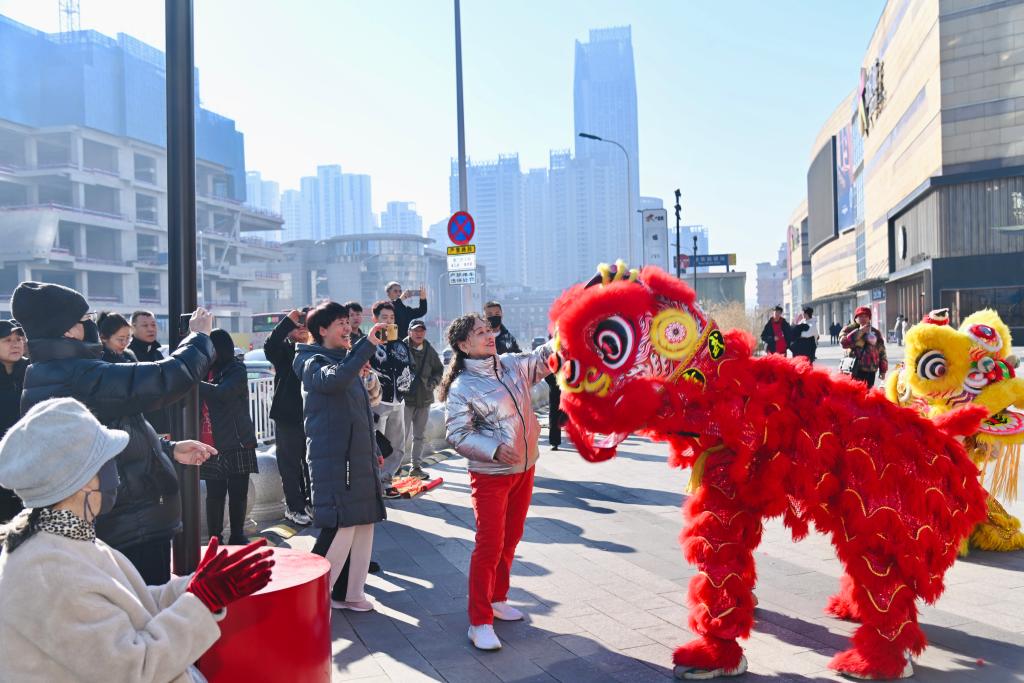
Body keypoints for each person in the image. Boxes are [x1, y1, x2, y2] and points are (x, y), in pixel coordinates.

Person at [0, 397, 274, 683]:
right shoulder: (49, 573)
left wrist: (191, 587)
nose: (115, 471)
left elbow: (132, 605)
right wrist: (201, 601)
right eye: (107, 461)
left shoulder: (64, 539)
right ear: (81, 479)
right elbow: (135, 671)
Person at [13, 281, 218, 584]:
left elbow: (105, 439)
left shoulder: (53, 372)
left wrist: (168, 449)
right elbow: (165, 378)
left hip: (121, 522)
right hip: (128, 526)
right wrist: (199, 337)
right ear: (68, 331)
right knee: (143, 607)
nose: (91, 325)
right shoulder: (77, 374)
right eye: (86, 318)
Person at [441, 314, 553, 651]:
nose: (489, 335)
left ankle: (498, 598)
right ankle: (479, 622)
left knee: (511, 538)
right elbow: (457, 433)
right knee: (490, 544)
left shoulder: (511, 364)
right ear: (464, 345)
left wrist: (573, 327)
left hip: (524, 467)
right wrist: (494, 449)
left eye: (488, 330)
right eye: (480, 332)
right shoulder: (462, 387)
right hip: (491, 475)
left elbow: (546, 357)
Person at [294, 301, 388, 612]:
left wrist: (374, 449)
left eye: (348, 322)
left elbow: (360, 413)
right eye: (340, 324)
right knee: (341, 525)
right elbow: (332, 380)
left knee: (363, 522)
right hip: (336, 460)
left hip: (357, 457)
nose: (348, 328)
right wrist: (365, 347)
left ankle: (349, 594)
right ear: (322, 330)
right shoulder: (311, 360)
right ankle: (308, 601)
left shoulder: (346, 361)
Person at [200, 330, 259, 546]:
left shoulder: (236, 369)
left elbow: (222, 393)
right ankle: (215, 539)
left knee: (238, 493)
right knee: (214, 494)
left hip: (237, 441)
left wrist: (194, 383)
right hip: (209, 442)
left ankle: (237, 535)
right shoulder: (203, 371)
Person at [263, 308, 313, 526]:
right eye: (297, 325)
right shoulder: (284, 350)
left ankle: (312, 503)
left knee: (312, 463)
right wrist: (286, 322)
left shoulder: (318, 350)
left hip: (313, 415)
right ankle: (294, 507)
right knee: (290, 464)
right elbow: (269, 345)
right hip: (288, 416)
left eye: (306, 324)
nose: (302, 328)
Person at [370, 300, 414, 497]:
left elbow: (410, 367)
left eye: (391, 318)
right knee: (377, 447)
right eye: (384, 317)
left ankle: (387, 482)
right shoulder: (369, 344)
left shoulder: (401, 345)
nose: (388, 321)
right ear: (375, 319)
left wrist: (406, 386)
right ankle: (374, 484)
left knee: (397, 446)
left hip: (398, 402)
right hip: (377, 402)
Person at [403, 319, 443, 480]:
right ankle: (391, 470)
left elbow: (439, 370)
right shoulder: (401, 348)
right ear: (409, 332)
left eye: (421, 330)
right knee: (400, 436)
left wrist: (432, 383)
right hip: (405, 400)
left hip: (424, 399)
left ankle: (416, 467)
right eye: (415, 330)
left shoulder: (429, 350)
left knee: (419, 436)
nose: (419, 333)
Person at [128, 310, 172, 436]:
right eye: (145, 325)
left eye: (153, 325)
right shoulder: (128, 355)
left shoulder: (159, 353)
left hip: (162, 423)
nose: (150, 329)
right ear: (132, 328)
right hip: (139, 424)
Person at [0, 320, 27, 522]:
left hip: (28, 460)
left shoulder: (32, 371)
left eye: (18, 339)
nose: (15, 344)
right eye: (7, 340)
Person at [840, 306, 888, 389]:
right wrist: (860, 332)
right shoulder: (848, 329)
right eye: (860, 316)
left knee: (868, 393)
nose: (863, 318)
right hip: (855, 369)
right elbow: (844, 343)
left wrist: (883, 370)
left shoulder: (875, 332)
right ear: (856, 319)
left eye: (866, 316)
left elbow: (882, 352)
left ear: (869, 318)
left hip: (871, 371)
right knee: (855, 394)